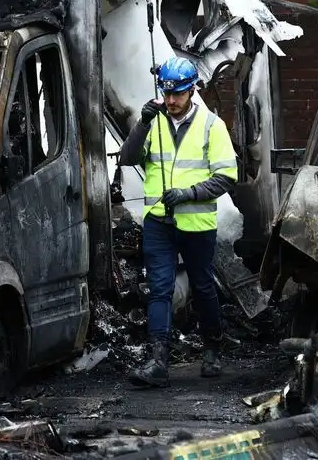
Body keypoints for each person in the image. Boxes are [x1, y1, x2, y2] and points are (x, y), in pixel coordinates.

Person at [118, 56, 238, 388]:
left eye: (179, 94)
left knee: (202, 286)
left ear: (192, 91)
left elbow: (227, 177)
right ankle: (158, 361)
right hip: (158, 221)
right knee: (159, 289)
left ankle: (212, 349)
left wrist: (187, 194)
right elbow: (128, 159)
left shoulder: (212, 126)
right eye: (167, 94)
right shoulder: (154, 122)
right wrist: (141, 124)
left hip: (196, 223)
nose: (171, 101)